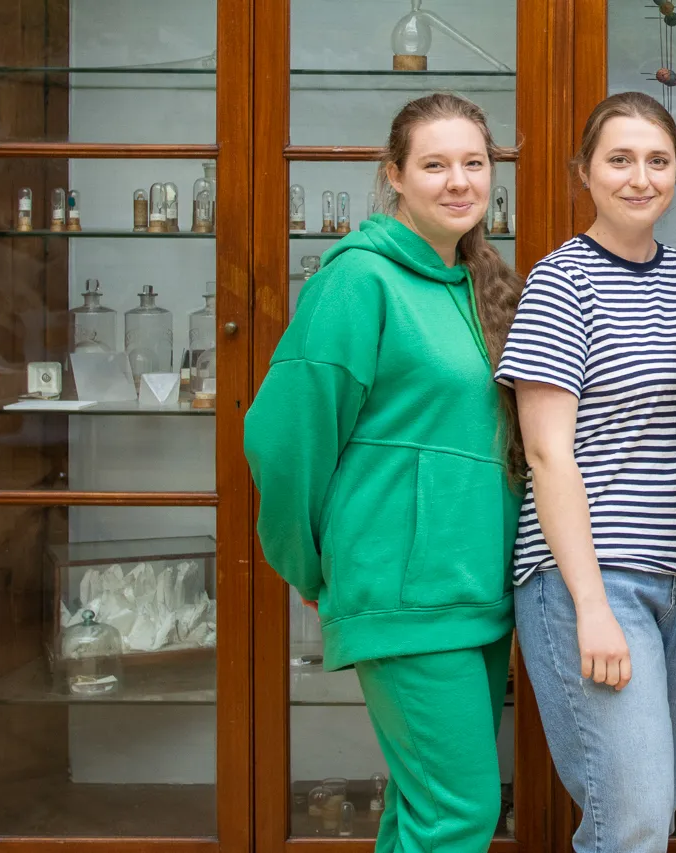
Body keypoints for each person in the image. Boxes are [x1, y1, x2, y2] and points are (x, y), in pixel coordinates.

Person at [244, 92, 520, 852]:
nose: (458, 180)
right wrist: (315, 566)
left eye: (474, 162)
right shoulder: (358, 280)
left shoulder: (479, 284)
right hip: (407, 594)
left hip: (473, 590)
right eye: (435, 164)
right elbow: (282, 436)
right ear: (394, 175)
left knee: (419, 813)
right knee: (458, 813)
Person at [495, 91, 676, 852]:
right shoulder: (563, 281)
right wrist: (590, 603)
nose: (640, 177)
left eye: (657, 161)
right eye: (619, 160)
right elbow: (546, 452)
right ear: (584, 173)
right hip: (592, 578)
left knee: (654, 808)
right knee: (627, 812)